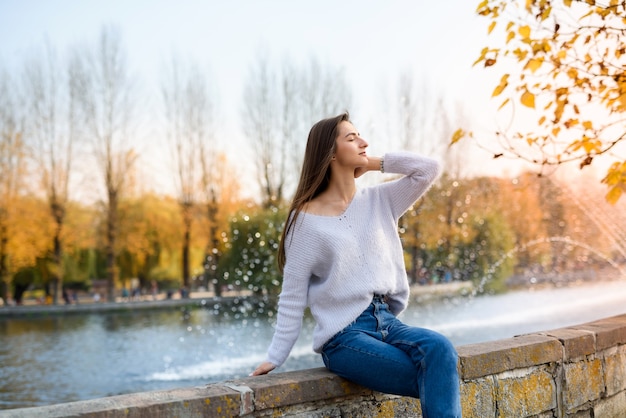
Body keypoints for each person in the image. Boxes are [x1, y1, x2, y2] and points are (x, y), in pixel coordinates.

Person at [251, 112, 462, 417]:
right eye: (352, 139)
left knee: (440, 349)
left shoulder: (381, 200)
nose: (363, 142)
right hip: (344, 338)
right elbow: (292, 296)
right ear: (330, 152)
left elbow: (428, 169)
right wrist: (275, 356)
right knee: (436, 374)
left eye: (360, 136)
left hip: (387, 322)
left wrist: (372, 163)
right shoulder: (304, 222)